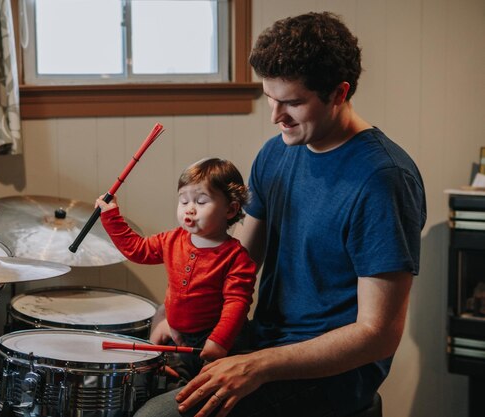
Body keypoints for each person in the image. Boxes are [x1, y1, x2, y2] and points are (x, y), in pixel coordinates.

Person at [135, 11, 427, 417]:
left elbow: (378, 334)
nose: (276, 116)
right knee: (140, 381)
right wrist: (174, 313)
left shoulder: (382, 180)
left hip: (333, 374)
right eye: (271, 98)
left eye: (292, 102)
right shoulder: (276, 153)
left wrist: (257, 365)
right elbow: (236, 261)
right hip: (265, 341)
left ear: (339, 93)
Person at [96, 158, 256, 382]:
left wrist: (219, 342)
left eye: (201, 202)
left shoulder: (236, 257)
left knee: (205, 392)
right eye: (183, 201)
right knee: (165, 383)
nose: (189, 209)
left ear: (230, 210)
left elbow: (236, 304)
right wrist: (111, 215)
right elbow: (137, 250)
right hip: (179, 337)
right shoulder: (172, 240)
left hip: (218, 340)